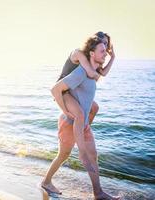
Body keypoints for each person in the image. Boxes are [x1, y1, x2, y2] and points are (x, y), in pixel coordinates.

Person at [41, 36, 120, 200]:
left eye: (106, 49)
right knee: (63, 155)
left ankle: (98, 193)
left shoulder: (93, 74)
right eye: (102, 51)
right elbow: (55, 89)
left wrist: (86, 123)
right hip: (69, 123)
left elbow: (100, 76)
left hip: (82, 125)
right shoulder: (81, 72)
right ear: (91, 54)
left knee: (93, 156)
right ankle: (46, 181)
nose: (105, 53)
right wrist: (66, 111)